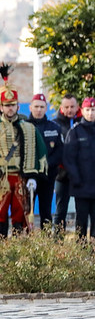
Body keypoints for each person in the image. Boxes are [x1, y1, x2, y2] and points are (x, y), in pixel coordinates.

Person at [0, 65, 47, 237]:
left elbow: (40, 151)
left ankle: (19, 250)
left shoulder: (28, 128)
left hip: (20, 176)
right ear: (1, 107)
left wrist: (33, 176)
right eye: (6, 105)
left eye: (13, 105)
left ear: (18, 106)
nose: (10, 108)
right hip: (1, 177)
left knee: (20, 215)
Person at [26, 93, 63, 228]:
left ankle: (45, 242)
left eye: (42, 107)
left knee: (46, 212)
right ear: (30, 107)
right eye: (36, 106)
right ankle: (26, 241)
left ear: (46, 108)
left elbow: (59, 152)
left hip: (48, 176)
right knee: (26, 210)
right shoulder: (24, 127)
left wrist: (45, 165)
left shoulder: (54, 128)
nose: (39, 110)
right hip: (28, 177)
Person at [62, 97, 95, 239]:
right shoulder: (75, 132)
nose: (91, 113)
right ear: (82, 111)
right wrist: (76, 179)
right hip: (81, 187)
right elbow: (69, 159)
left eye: (93, 110)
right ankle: (81, 253)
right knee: (81, 223)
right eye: (88, 110)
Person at [53, 94, 82, 231]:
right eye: (67, 107)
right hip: (62, 175)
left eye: (72, 106)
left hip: (80, 175)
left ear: (77, 107)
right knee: (60, 211)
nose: (70, 110)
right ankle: (57, 241)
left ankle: (81, 242)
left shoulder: (83, 123)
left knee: (81, 211)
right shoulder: (55, 125)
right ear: (61, 108)